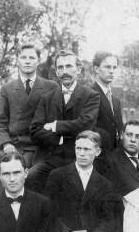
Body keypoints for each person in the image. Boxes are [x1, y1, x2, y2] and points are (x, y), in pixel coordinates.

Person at [28, 50, 100, 193]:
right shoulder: (46, 98)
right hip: (49, 157)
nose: (64, 71)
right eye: (60, 67)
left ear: (78, 69)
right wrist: (60, 137)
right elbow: (35, 131)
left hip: (77, 157)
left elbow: (85, 124)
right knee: (31, 176)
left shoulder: (91, 96)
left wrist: (55, 126)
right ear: (56, 71)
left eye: (68, 66)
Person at [0, 43, 58, 170]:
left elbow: (56, 121)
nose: (27, 61)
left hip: (39, 148)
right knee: (1, 172)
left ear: (38, 61)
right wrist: (6, 143)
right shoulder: (7, 89)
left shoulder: (51, 87)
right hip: (13, 145)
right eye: (23, 57)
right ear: (17, 61)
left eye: (32, 58)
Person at [109, 120, 139, 196]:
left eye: (138, 136)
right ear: (122, 136)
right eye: (129, 135)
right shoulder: (110, 162)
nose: (133, 140)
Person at [92, 52, 123, 150]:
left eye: (114, 67)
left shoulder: (116, 101)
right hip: (98, 155)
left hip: (115, 156)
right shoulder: (88, 95)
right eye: (107, 67)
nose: (112, 71)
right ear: (96, 69)